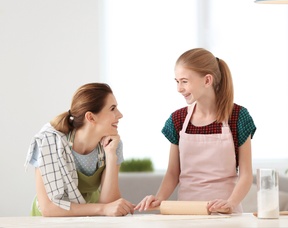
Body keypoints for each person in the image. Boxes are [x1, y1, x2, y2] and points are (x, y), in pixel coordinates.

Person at [135, 48, 256, 214]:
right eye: (176, 81)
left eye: (184, 81)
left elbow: (246, 175)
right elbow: (173, 172)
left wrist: (230, 203)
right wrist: (160, 198)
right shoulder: (177, 119)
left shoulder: (238, 117)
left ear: (207, 80)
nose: (179, 88)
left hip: (226, 214)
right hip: (186, 213)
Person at [24, 83, 135, 217]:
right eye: (112, 108)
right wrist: (102, 209)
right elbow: (49, 208)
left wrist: (111, 156)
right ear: (90, 117)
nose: (120, 115)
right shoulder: (48, 143)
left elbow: (110, 205)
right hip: (50, 220)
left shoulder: (112, 145)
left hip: (90, 218)